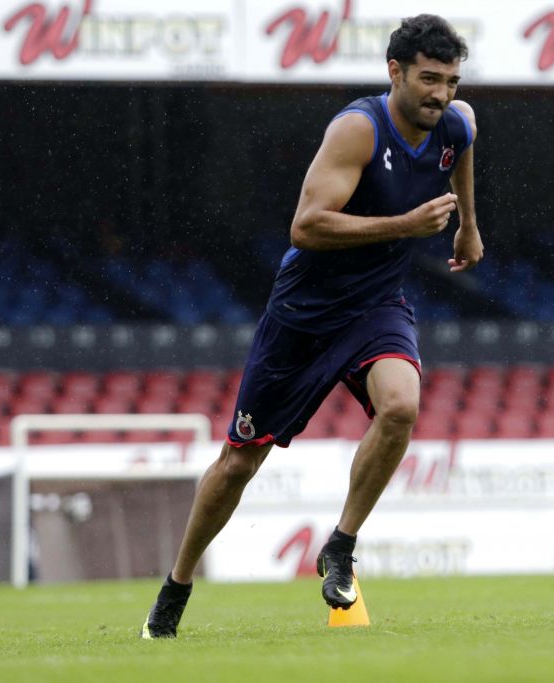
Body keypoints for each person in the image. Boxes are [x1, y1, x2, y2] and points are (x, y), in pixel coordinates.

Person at [141, 14, 481, 638]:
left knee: (401, 406)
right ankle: (176, 588)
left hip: (377, 305)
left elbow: (460, 157)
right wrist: (408, 225)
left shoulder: (457, 123)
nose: (441, 93)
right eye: (429, 78)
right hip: (304, 316)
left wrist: (467, 226)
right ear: (395, 71)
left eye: (452, 81)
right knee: (240, 463)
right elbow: (306, 227)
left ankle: (341, 545)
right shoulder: (356, 130)